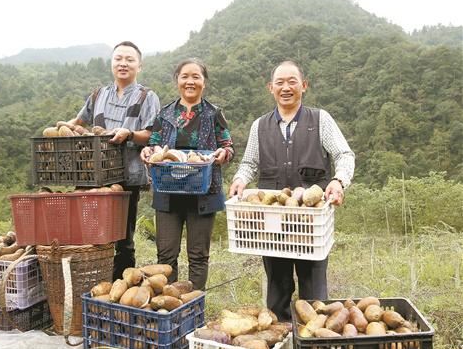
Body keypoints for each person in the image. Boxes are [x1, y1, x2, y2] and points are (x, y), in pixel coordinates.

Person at [229, 60, 355, 321]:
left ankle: (312, 341)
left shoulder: (320, 120)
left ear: (304, 86)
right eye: (280, 83)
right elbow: (250, 163)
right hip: (271, 222)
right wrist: (240, 179)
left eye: (292, 82)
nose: (286, 87)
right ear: (270, 88)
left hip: (311, 223)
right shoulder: (259, 126)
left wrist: (338, 181)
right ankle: (281, 337)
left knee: (314, 292)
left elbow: (344, 154)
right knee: (277, 288)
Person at [66, 41, 160, 280]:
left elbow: (152, 134)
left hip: (128, 177)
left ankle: (122, 288)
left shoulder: (146, 96)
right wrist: (61, 129)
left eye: (129, 60)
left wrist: (129, 134)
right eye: (118, 59)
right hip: (94, 177)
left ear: (139, 65)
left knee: (123, 238)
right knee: (93, 235)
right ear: (111, 63)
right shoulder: (99, 94)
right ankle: (95, 284)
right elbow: (78, 122)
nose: (123, 64)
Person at [140, 58, 234, 290]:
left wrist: (223, 154)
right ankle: (168, 306)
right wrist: (148, 151)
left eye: (196, 77)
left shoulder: (214, 114)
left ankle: (194, 307)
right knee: (166, 256)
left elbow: (228, 146)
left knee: (198, 256)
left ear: (204, 82)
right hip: (168, 192)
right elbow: (153, 143)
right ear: (177, 80)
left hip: (203, 193)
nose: (190, 81)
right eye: (185, 76)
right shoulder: (166, 114)